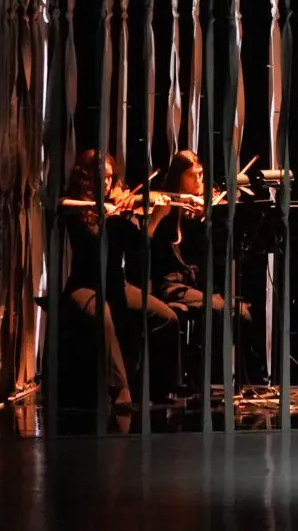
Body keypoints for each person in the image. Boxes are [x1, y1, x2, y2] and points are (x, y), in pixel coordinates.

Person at [58, 149, 178, 414]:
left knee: (167, 317)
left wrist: (156, 218)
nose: (107, 183)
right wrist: (101, 210)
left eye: (111, 178)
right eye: (101, 177)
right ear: (86, 177)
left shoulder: (119, 210)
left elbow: (139, 245)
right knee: (103, 317)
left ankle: (161, 386)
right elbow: (63, 205)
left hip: (117, 283)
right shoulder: (77, 210)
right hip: (85, 285)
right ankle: (120, 390)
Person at [149, 149, 258, 387]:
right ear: (178, 178)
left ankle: (228, 378)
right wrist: (163, 215)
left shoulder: (206, 209)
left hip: (199, 286)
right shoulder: (168, 210)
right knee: (222, 310)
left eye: (200, 174)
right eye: (192, 176)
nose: (199, 181)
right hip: (173, 285)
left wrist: (211, 220)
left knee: (241, 313)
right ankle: (202, 377)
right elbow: (152, 246)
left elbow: (219, 252)